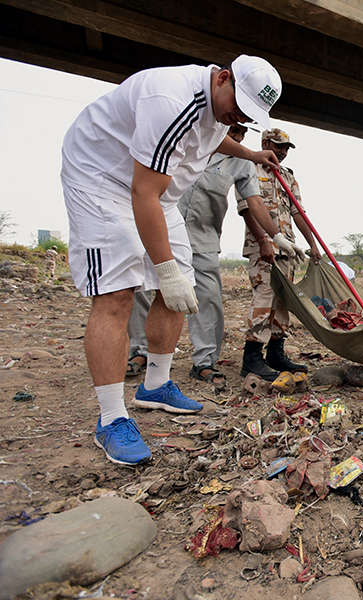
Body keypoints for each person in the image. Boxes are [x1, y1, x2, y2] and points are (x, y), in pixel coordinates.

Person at [61, 55, 283, 465]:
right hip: (102, 180)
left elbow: (211, 136)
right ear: (222, 78)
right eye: (236, 107)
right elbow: (142, 193)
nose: (236, 117)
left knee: (184, 286)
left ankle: (156, 386)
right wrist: (163, 271)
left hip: (154, 191)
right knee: (117, 293)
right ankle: (111, 419)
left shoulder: (216, 105)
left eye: (246, 116)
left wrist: (252, 155)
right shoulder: (170, 100)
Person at [126, 123, 290, 389]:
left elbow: (254, 203)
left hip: (204, 236)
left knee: (208, 298)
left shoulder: (242, 163)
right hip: (161, 229)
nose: (238, 136)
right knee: (145, 289)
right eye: (233, 130)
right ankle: (140, 352)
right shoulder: (193, 142)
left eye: (242, 133)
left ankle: (204, 362)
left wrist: (275, 235)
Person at [240, 128, 322, 382]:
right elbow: (246, 210)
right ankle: (252, 359)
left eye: (286, 148)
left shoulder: (287, 176)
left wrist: (313, 244)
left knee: (282, 303)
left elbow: (298, 213)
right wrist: (265, 240)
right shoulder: (250, 169)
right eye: (278, 146)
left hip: (288, 249)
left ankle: (275, 353)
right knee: (264, 299)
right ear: (265, 143)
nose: (282, 152)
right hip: (262, 247)